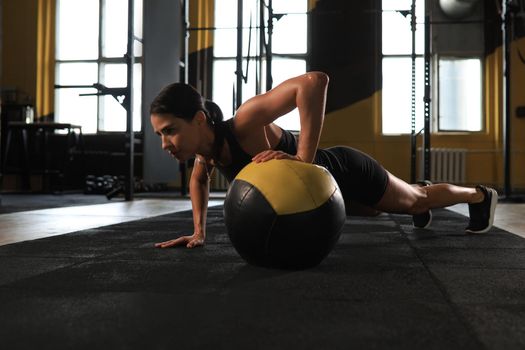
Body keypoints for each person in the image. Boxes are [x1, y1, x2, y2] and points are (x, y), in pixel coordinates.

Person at [149, 72, 498, 249]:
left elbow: (314, 82)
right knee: (379, 209)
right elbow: (199, 180)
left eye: (170, 131)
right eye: (160, 136)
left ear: (198, 119)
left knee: (414, 201)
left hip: (346, 172)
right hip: (324, 198)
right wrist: (198, 233)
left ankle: (479, 195)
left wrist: (303, 157)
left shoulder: (244, 122)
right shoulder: (205, 153)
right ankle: (412, 193)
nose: (165, 143)